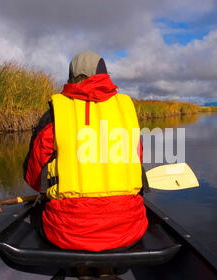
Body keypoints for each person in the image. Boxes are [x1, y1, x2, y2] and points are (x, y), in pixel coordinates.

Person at [23, 52, 148, 253]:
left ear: (71, 76)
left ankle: (83, 268)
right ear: (104, 74)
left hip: (66, 233)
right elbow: (137, 160)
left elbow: (34, 178)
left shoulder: (55, 114)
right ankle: (105, 269)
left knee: (39, 215)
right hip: (130, 230)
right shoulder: (127, 111)